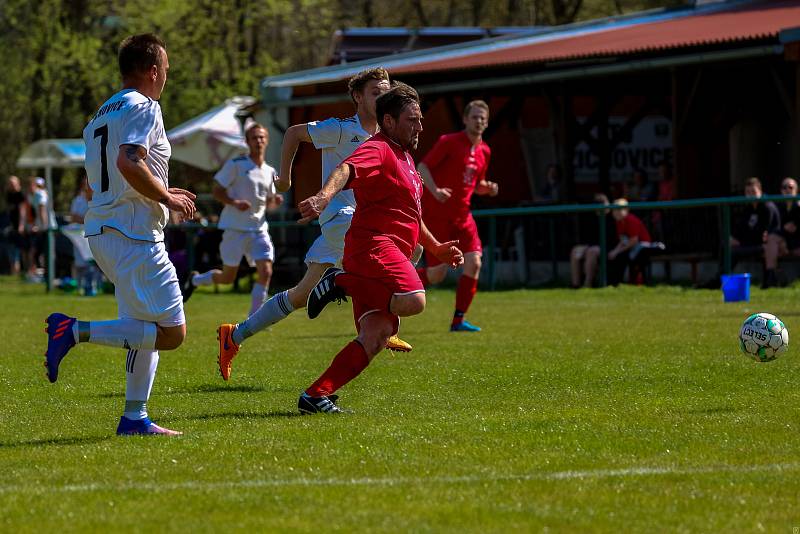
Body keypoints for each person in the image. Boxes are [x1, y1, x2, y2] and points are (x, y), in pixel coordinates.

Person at [214, 67, 414, 382]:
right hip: (341, 219)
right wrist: (286, 178)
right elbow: (293, 133)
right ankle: (373, 318)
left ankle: (234, 336)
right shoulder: (340, 129)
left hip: (358, 222)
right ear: (358, 97)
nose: (382, 97)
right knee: (379, 256)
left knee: (299, 295)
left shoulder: (385, 139)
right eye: (375, 92)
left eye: (385, 92)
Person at [43, 33, 196, 436]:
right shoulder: (146, 105)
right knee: (171, 334)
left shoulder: (100, 113)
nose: (166, 76)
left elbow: (98, 182)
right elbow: (129, 162)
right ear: (152, 70)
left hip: (104, 231)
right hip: (134, 234)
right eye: (165, 69)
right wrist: (167, 198)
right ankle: (73, 330)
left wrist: (162, 193)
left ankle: (134, 417)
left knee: (141, 328)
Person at [295, 82, 463, 414]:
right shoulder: (380, 148)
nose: (420, 126)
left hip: (385, 253)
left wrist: (436, 247)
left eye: (419, 119)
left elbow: (411, 218)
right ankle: (339, 281)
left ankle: (315, 396)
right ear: (388, 121)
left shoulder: (406, 160)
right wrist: (323, 197)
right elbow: (346, 169)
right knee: (414, 300)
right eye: (412, 120)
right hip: (372, 247)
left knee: (377, 335)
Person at [415, 100, 499, 332]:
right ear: (465, 119)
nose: (479, 121)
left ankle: (458, 320)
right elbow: (423, 167)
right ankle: (396, 283)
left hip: (464, 217)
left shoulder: (485, 151)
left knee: (475, 263)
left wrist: (488, 188)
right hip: (437, 217)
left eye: (483, 118)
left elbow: (476, 184)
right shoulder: (448, 142)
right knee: (437, 275)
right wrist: (436, 191)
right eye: (475, 117)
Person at [183, 123, 283, 315]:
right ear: (247, 142)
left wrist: (275, 201)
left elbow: (268, 205)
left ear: (267, 140)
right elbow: (217, 191)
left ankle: (255, 318)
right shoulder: (236, 165)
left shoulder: (270, 171)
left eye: (262, 137)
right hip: (235, 229)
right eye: (254, 138)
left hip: (259, 229)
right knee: (228, 277)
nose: (258, 141)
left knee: (266, 272)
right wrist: (235, 202)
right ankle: (195, 280)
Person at [701, 177, 779, 289]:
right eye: (748, 192)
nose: (750, 195)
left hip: (766, 246)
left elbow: (762, 235)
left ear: (760, 192)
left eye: (753, 192)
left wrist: (741, 241)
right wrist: (733, 238)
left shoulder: (767, 207)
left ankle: (719, 280)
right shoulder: (749, 207)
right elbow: (741, 228)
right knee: (726, 245)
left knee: (733, 252)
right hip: (750, 242)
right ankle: (719, 278)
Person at [569, 193, 618, 288]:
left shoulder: (613, 218)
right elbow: (587, 238)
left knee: (591, 252)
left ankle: (587, 284)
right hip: (591, 245)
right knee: (576, 251)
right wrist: (584, 247)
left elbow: (613, 239)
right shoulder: (590, 218)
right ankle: (575, 284)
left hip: (609, 247)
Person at [763, 177, 800, 288]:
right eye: (784, 187)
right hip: (783, 243)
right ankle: (771, 279)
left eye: (790, 187)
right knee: (772, 239)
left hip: (797, 243)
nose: (787, 190)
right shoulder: (776, 206)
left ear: (796, 190)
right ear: (780, 190)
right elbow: (773, 228)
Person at [607, 198, 654, 285]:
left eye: (619, 209)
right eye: (614, 210)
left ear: (627, 210)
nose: (616, 212)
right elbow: (623, 240)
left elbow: (634, 241)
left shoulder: (631, 219)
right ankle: (615, 283)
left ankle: (636, 282)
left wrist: (618, 251)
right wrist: (615, 251)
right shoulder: (619, 222)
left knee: (624, 256)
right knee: (615, 256)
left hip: (643, 247)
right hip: (631, 246)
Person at [68, 175, 101, 295]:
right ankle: (79, 286)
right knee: (80, 263)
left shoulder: (100, 199)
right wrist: (87, 220)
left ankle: (96, 286)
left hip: (96, 234)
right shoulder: (78, 200)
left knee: (95, 263)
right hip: (80, 235)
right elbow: (74, 217)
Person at [4, 175, 25, 275]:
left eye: (13, 184)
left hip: (19, 227)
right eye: (10, 184)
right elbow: (9, 209)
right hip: (11, 226)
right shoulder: (9, 194)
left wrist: (21, 225)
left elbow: (22, 211)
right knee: (11, 250)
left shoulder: (20, 195)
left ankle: (19, 272)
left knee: (19, 250)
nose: (11, 186)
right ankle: (14, 272)